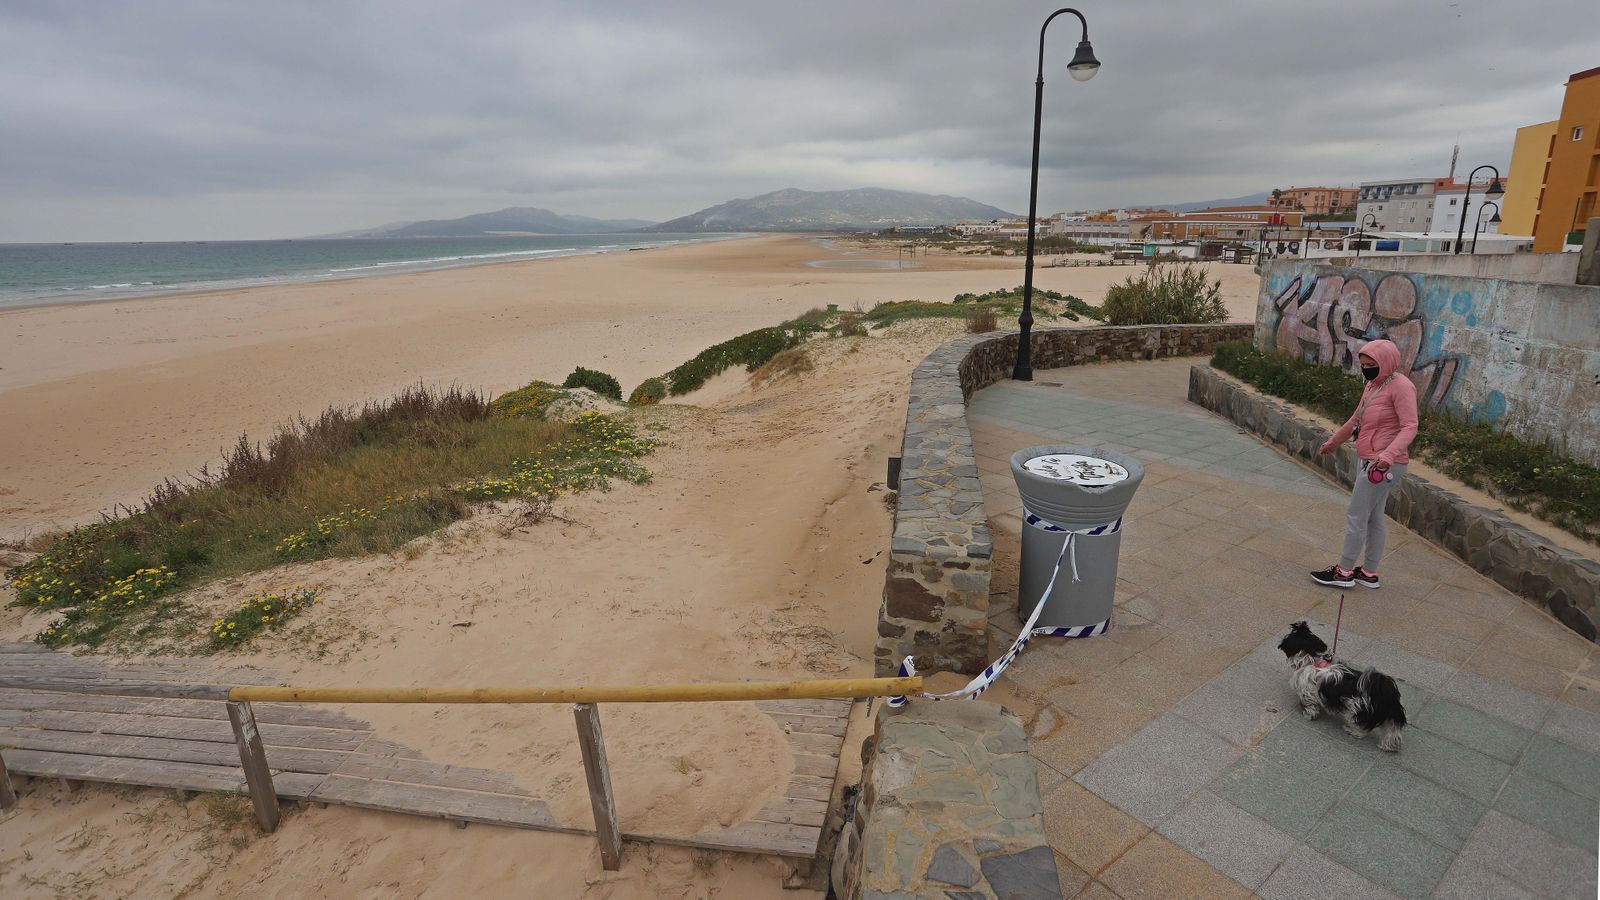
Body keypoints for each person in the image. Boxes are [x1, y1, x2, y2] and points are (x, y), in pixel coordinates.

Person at [1311, 338, 1418, 589]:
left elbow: (1410, 426)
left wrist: (1388, 455)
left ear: (1387, 362)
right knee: (1373, 518)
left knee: (1357, 515)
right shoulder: (1374, 385)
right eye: (1364, 364)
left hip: (1384, 464)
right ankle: (1369, 573)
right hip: (1370, 458)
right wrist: (1333, 442)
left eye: (1372, 364)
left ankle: (1344, 571)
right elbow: (1355, 420)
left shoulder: (1402, 387)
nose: (1366, 368)